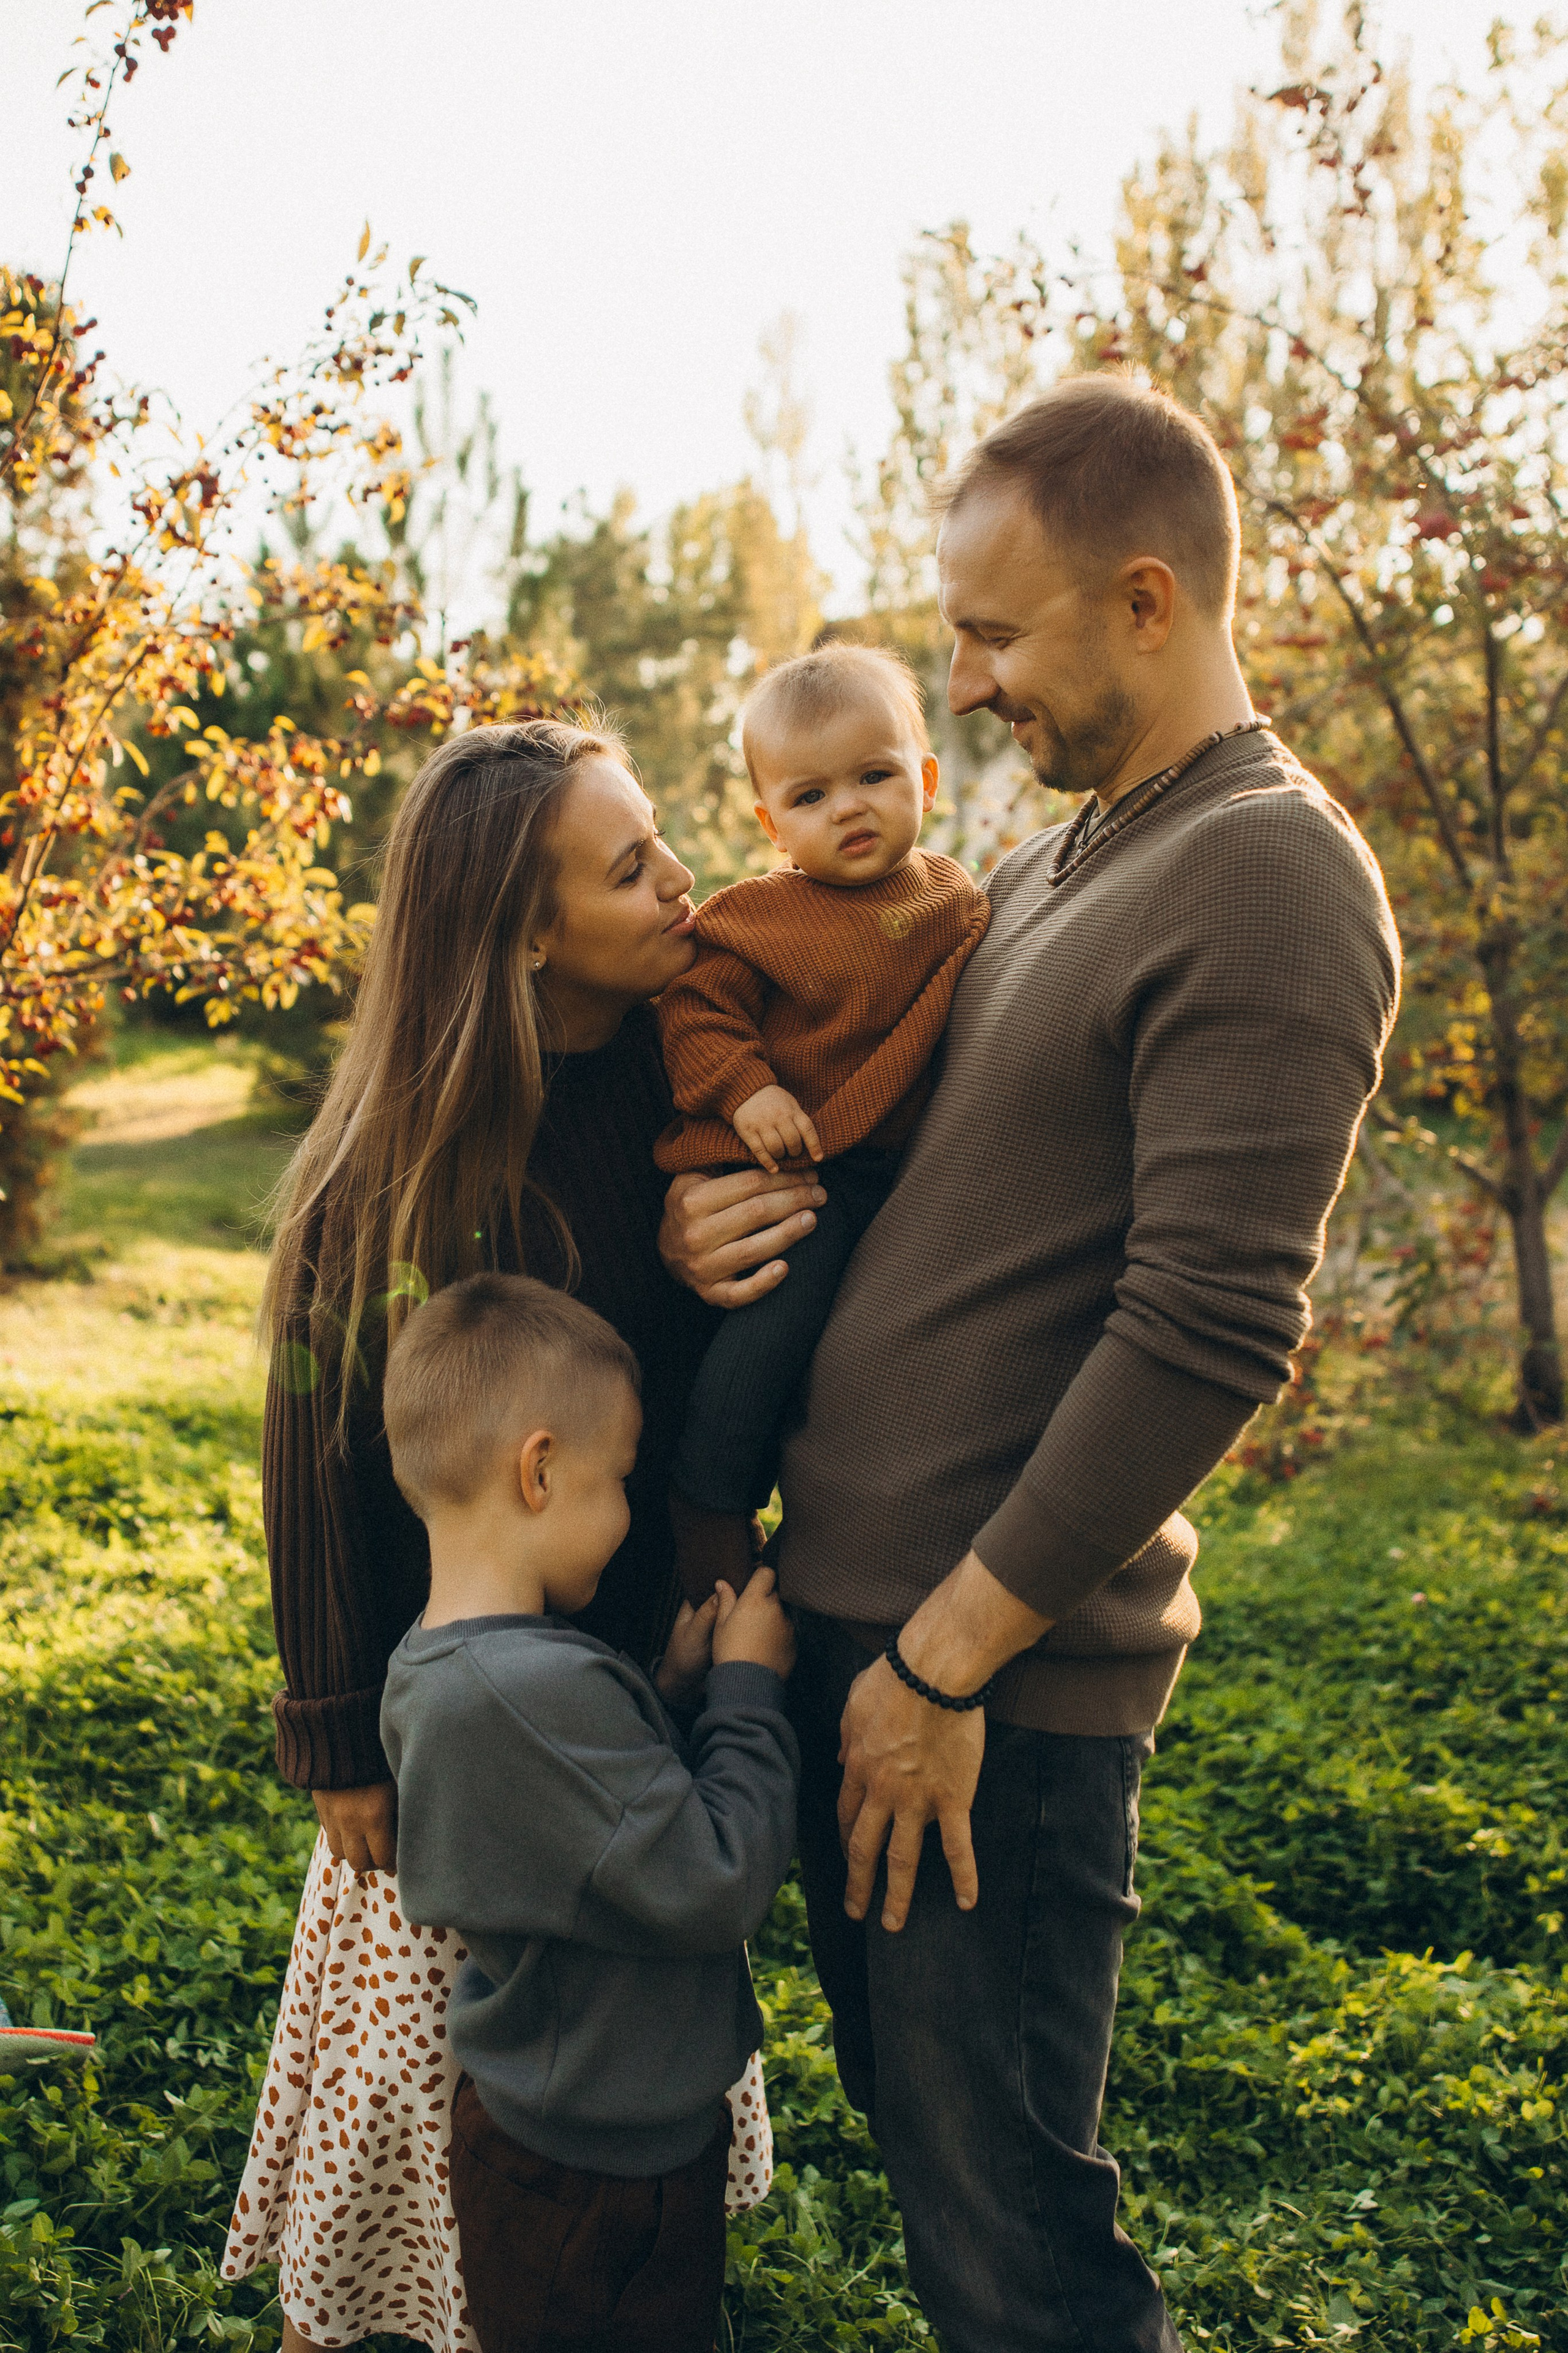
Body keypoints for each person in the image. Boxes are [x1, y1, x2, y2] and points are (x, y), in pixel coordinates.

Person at [662, 371, 1403, 2352]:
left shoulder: (1270, 870)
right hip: (855, 1629)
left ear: (1147, 602)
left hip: (985, 1682)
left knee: (1017, 2251)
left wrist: (941, 1667)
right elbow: (919, 1182)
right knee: (941, 2180)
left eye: (996, 636)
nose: (966, 686)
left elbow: (1209, 1328)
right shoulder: (1062, 860)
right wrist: (708, 1221)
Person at [222, 718, 816, 2352]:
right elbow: (316, 1456)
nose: (682, 878)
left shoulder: (683, 1082)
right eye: (630, 867)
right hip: (458, 1730)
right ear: (528, 932)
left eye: (661, 837)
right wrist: (338, 1730)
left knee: (593, 2060)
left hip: (620, 1689)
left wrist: (711, 1272)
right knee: (426, 2093)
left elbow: (662, 1400)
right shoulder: (393, 1171)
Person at [380, 1272, 798, 2353]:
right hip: (607, 2178)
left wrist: (666, 1692)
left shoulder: (441, 1667)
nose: (627, 1511)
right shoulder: (538, 1692)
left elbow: (578, 1827)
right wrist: (747, 1689)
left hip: (539, 2135)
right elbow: (717, 1876)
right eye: (618, 1478)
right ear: (540, 1469)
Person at [654, 643, 989, 1597]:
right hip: (782, 1164)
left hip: (886, 1164)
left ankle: (835, 1521)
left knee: (871, 1349)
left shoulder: (954, 901)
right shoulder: (756, 917)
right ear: (772, 824)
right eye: (810, 796)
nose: (848, 808)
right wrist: (747, 1089)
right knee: (778, 1315)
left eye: (875, 777)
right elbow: (696, 1010)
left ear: (926, 781)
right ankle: (710, 1498)